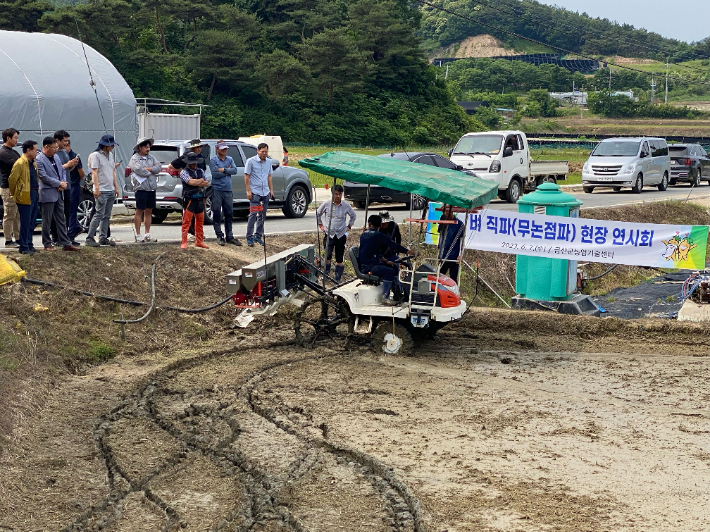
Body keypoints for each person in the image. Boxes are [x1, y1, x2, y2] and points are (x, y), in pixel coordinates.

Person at [35, 136, 79, 251]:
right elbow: (43, 177)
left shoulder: (56, 157)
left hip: (59, 192)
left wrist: (63, 183)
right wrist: (58, 183)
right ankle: (47, 243)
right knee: (47, 219)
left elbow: (62, 171)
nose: (55, 150)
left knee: (61, 218)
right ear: (46, 147)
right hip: (47, 192)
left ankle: (65, 242)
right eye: (53, 148)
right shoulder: (39, 159)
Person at [359, 214, 412, 305]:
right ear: (380, 225)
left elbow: (375, 252)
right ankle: (385, 298)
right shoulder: (378, 235)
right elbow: (393, 245)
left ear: (369, 224)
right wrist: (408, 251)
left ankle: (397, 293)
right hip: (368, 266)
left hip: (370, 263)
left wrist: (386, 261)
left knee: (394, 267)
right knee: (389, 272)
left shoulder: (364, 234)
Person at [316, 184, 356, 281]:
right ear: (332, 194)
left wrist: (349, 226)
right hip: (329, 234)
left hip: (341, 235)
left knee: (339, 258)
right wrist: (321, 225)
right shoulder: (326, 204)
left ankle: (337, 278)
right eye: (336, 194)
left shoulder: (346, 205)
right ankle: (326, 276)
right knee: (327, 256)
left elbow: (353, 215)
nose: (338, 196)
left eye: (340, 194)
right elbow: (317, 213)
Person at [85, 134, 120, 247]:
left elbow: (112, 171)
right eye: (111, 145)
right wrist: (97, 188)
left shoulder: (110, 155)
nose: (112, 147)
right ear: (105, 145)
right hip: (101, 189)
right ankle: (89, 238)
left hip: (110, 189)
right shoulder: (95, 155)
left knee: (107, 215)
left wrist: (116, 186)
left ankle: (103, 237)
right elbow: (94, 172)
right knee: (98, 214)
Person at [9, 140, 40, 255]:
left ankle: (29, 243)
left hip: (34, 193)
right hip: (25, 194)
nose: (37, 152)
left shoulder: (32, 163)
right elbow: (12, 180)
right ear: (28, 150)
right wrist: (16, 194)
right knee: (25, 221)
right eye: (35, 150)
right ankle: (23, 246)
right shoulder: (20, 163)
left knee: (32, 221)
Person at [170, 139, 205, 241]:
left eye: (200, 147)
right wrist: (182, 172)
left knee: (198, 213)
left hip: (199, 188)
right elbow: (171, 166)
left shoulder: (201, 158)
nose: (199, 149)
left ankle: (197, 233)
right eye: (196, 147)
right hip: (188, 189)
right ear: (192, 148)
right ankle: (189, 232)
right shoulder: (186, 157)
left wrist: (199, 181)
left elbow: (204, 175)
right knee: (188, 212)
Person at [128, 137, 161, 242]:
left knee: (149, 210)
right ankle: (138, 235)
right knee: (139, 210)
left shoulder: (151, 157)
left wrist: (150, 169)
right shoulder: (135, 158)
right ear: (140, 147)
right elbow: (139, 170)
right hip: (141, 188)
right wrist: (150, 171)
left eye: (149, 147)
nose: (148, 149)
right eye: (146, 147)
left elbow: (159, 167)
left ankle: (147, 233)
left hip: (151, 187)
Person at [209, 140, 241, 246]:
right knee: (217, 213)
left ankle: (229, 236)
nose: (224, 150)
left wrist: (223, 170)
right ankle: (219, 235)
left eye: (225, 148)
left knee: (229, 213)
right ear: (217, 149)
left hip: (228, 190)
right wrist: (228, 171)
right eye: (222, 148)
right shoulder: (213, 160)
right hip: (217, 189)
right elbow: (215, 174)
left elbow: (235, 170)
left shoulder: (230, 159)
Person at [51, 130, 80, 245]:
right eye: (64, 141)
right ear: (57, 140)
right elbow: (54, 169)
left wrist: (72, 165)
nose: (66, 143)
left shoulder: (64, 152)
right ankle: (56, 238)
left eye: (68, 141)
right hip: (57, 187)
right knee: (56, 214)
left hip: (67, 186)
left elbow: (66, 170)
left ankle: (66, 237)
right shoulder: (53, 154)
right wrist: (67, 165)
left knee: (67, 213)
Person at [244, 142, 274, 247]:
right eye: (262, 151)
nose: (264, 153)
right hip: (255, 192)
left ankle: (258, 235)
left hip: (265, 192)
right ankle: (249, 237)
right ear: (258, 151)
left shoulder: (268, 162)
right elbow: (246, 176)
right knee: (253, 215)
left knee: (262, 215)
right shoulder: (251, 161)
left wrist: (271, 190)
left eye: (266, 151)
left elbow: (269, 176)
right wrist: (248, 191)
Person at [180, 152, 210, 249]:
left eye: (195, 162)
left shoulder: (200, 170)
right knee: (186, 221)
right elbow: (190, 182)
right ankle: (184, 242)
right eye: (192, 162)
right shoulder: (184, 172)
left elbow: (206, 183)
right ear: (188, 163)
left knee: (200, 221)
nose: (194, 164)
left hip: (200, 198)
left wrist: (196, 182)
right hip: (189, 199)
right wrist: (200, 181)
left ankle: (199, 241)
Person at [0, 128, 21, 247]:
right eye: (15, 138)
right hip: (8, 188)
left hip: (16, 188)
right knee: (9, 214)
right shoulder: (3, 153)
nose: (17, 140)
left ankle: (17, 238)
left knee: (16, 214)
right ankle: (8, 240)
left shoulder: (13, 152)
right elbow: (17, 165)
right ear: (8, 138)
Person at [64, 138, 85, 241]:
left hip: (73, 185)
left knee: (72, 211)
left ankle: (71, 234)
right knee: (67, 211)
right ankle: (76, 227)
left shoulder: (73, 157)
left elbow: (81, 173)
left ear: (68, 146)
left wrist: (76, 182)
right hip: (65, 187)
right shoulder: (61, 156)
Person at [437, 204, 464, 282]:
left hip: (453, 255)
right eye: (445, 211)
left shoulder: (459, 224)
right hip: (443, 254)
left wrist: (461, 254)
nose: (446, 213)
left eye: (448, 211)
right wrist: (439, 253)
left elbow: (462, 240)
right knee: (440, 277)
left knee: (453, 278)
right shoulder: (443, 222)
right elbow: (440, 236)